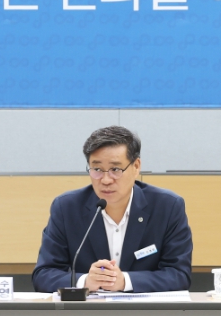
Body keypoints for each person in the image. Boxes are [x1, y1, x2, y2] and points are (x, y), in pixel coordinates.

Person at [32, 126, 193, 293]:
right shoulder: (67, 208)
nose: (106, 180)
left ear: (136, 166)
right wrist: (85, 281)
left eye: (115, 169)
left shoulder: (167, 207)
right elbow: (43, 275)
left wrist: (125, 281)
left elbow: (179, 274)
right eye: (97, 169)